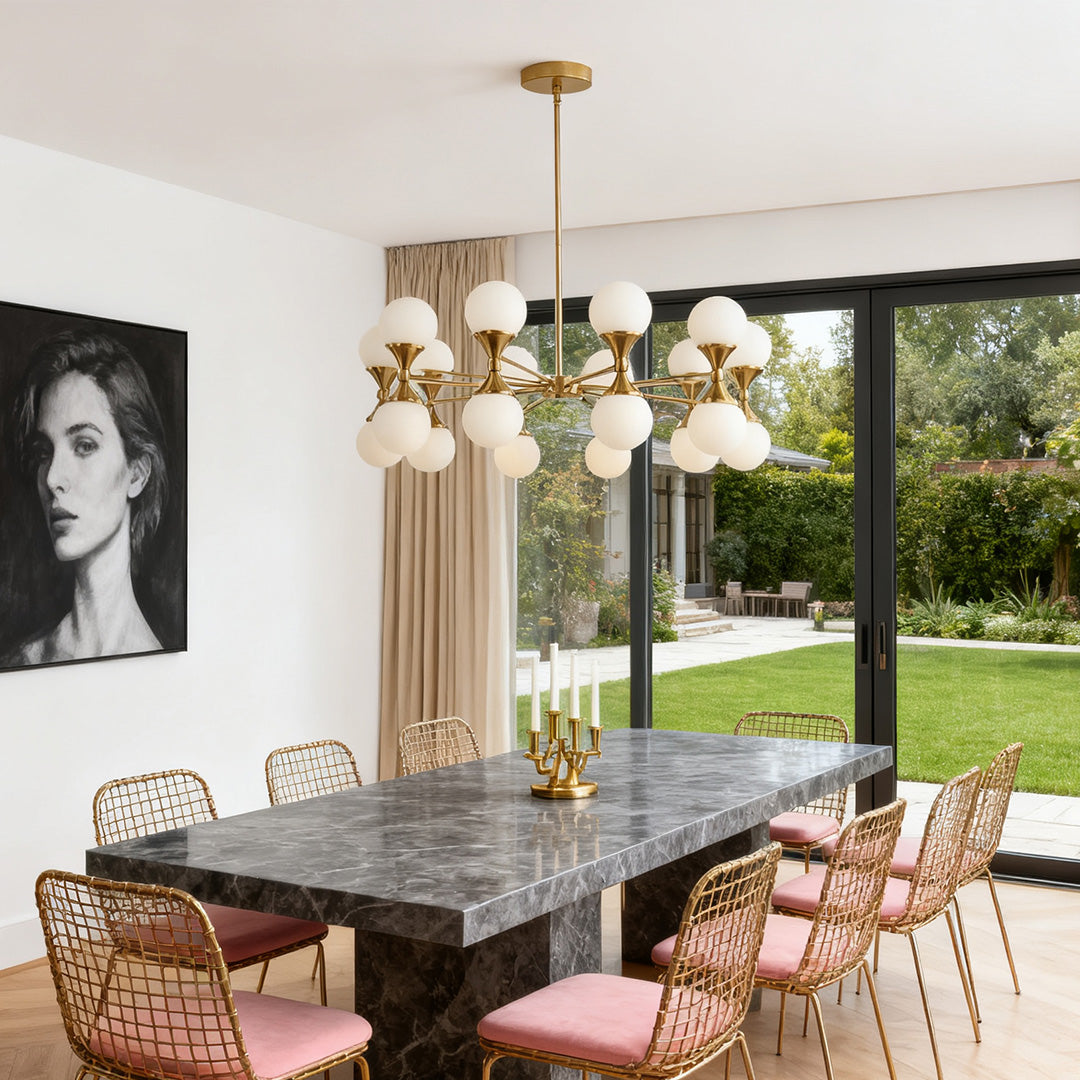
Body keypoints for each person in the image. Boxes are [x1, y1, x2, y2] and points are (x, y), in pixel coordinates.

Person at [4, 330, 168, 664]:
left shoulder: (162, 664)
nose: (52, 478)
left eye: (85, 446)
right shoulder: (19, 662)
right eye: (43, 453)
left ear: (137, 473)